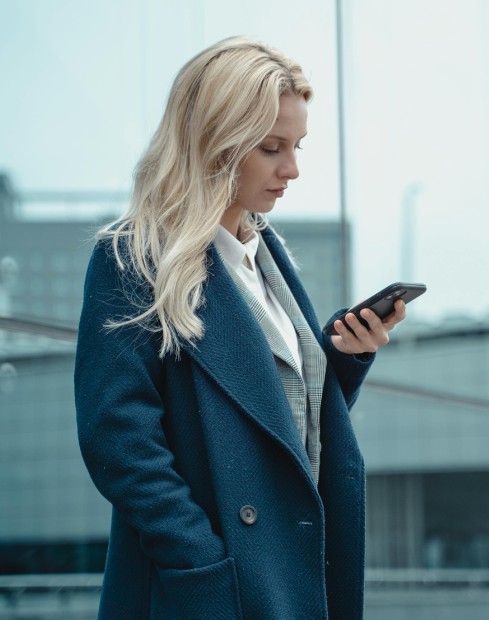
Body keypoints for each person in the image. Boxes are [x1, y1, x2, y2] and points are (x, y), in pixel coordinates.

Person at [75, 36, 406, 620]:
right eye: (272, 147)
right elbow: (119, 441)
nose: (293, 169)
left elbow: (275, 431)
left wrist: (340, 360)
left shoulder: (267, 253)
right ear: (216, 142)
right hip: (213, 585)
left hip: (293, 565)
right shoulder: (134, 257)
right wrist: (201, 559)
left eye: (297, 145)